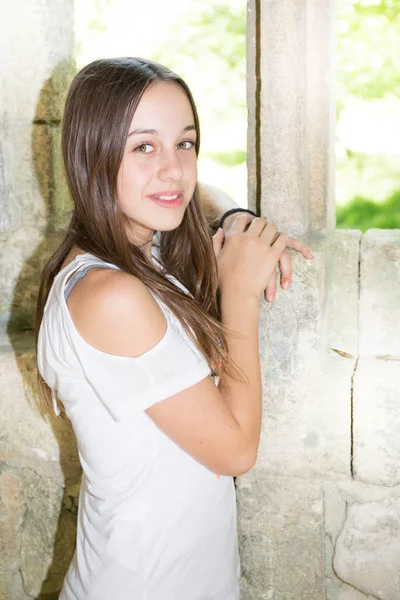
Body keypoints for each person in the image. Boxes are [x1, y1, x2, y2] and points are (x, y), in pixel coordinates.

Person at [36, 57, 313, 600]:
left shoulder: (138, 248)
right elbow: (235, 452)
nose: (173, 170)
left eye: (184, 143)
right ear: (91, 155)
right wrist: (239, 293)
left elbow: (200, 191)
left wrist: (236, 220)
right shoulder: (111, 294)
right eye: (143, 146)